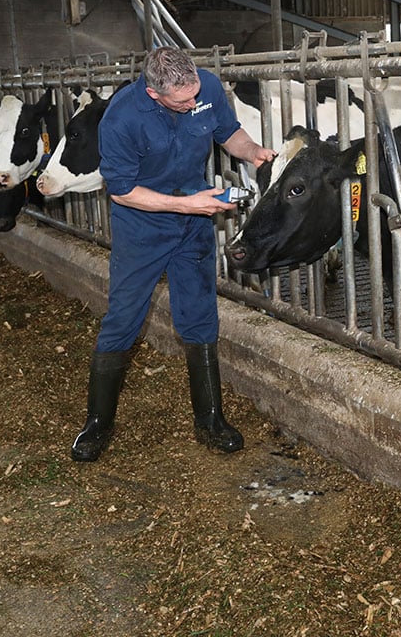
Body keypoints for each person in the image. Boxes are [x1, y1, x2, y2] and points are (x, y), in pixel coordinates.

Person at [71, 46, 275, 462]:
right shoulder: (122, 117)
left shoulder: (206, 87)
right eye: (183, 101)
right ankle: (97, 424)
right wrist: (187, 205)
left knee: (199, 313)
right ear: (154, 93)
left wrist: (252, 151)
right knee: (123, 317)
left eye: (196, 94)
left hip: (193, 223)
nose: (193, 102)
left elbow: (227, 131)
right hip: (143, 225)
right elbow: (122, 190)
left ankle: (211, 419)